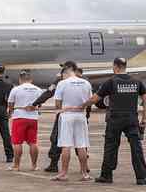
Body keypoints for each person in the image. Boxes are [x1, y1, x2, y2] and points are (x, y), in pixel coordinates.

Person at [82, 57, 146, 185]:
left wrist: (82, 105)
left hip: (115, 119)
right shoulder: (137, 82)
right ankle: (141, 177)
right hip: (132, 118)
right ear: (125, 66)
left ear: (115, 66)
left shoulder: (111, 82)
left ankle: (106, 175)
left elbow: (95, 99)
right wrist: (144, 119)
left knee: (111, 147)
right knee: (136, 147)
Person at [31, 61, 76, 172]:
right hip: (79, 115)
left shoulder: (60, 81)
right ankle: (85, 167)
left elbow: (49, 93)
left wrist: (34, 103)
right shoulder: (83, 81)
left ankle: (53, 164)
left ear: (68, 68)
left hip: (63, 114)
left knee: (56, 138)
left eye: (64, 69)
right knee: (80, 141)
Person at [51, 65, 92, 181]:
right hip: (80, 115)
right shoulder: (86, 83)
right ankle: (84, 173)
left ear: (66, 73)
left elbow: (57, 103)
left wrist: (62, 109)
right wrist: (80, 107)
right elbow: (89, 101)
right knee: (81, 145)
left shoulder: (62, 83)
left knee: (66, 145)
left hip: (67, 115)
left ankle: (64, 173)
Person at [7, 70, 43, 171]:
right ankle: (34, 165)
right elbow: (40, 103)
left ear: (20, 79)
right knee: (33, 142)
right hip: (33, 118)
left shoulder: (16, 89)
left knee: (17, 143)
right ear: (31, 79)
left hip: (19, 116)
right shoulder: (38, 89)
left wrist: (10, 112)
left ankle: (16, 165)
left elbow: (10, 103)